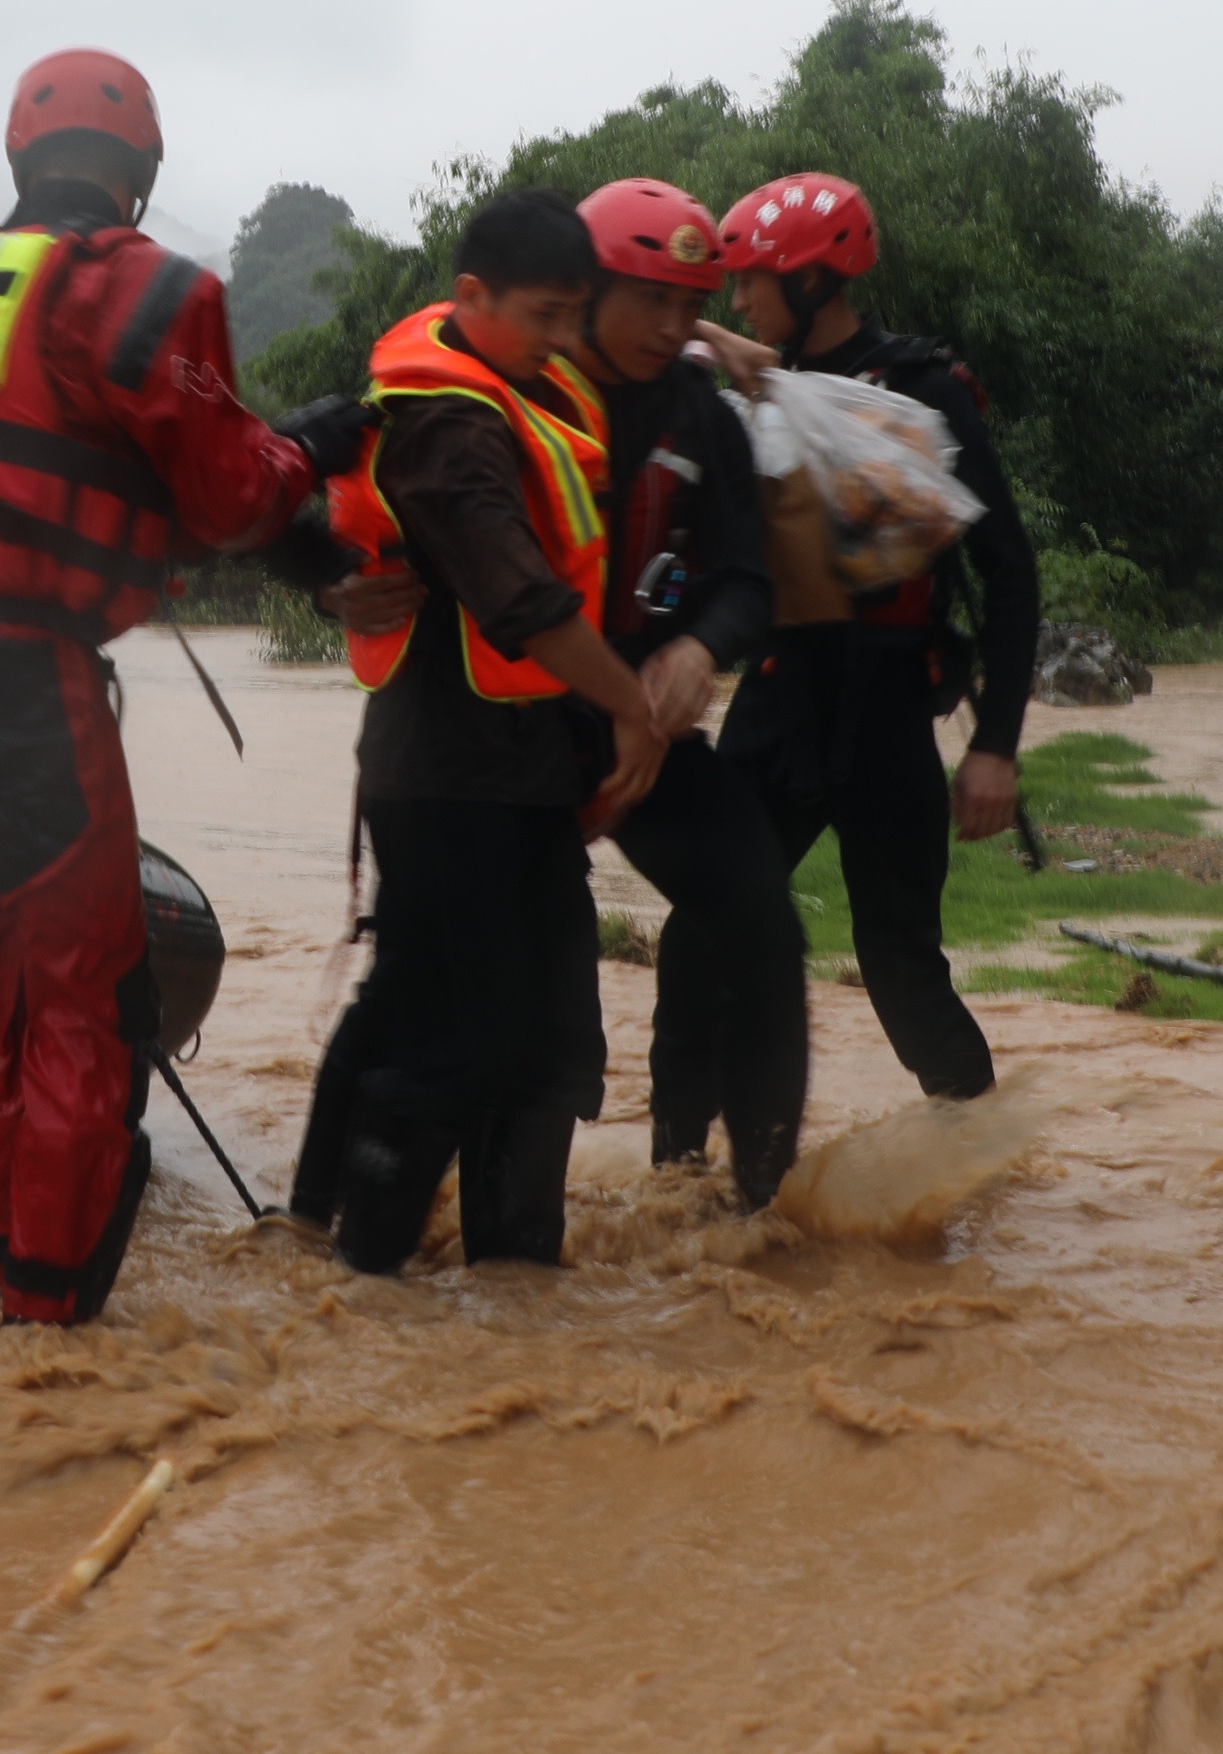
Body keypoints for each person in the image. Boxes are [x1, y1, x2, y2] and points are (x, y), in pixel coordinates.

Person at [0, 49, 338, 1325]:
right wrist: (314, 446)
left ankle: (8, 1256)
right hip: (22, 676)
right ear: (138, 176)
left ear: (21, 160)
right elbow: (233, 493)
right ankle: (51, 1312)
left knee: (11, 973)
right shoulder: (151, 288)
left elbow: (41, 450)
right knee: (84, 985)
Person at [293, 189, 673, 1273]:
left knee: (441, 1004)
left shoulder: (515, 385)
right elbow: (524, 605)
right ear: (473, 298)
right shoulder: (449, 428)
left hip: (488, 771)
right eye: (549, 317)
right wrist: (631, 704)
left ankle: (333, 1237)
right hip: (456, 778)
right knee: (460, 1034)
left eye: (574, 317)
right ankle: (369, 1278)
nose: (566, 342)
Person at [710, 172, 1041, 1101]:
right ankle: (683, 1175)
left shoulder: (926, 390)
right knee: (705, 937)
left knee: (897, 959)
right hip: (776, 696)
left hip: (887, 707)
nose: (738, 298)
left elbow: (1008, 574)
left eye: (753, 279)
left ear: (812, 279)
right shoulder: (755, 386)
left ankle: (971, 1149)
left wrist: (996, 749)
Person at [571, 179, 809, 1207]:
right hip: (515, 733)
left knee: (761, 920)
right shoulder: (518, 382)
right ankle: (329, 1227)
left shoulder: (701, 418)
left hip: (654, 737)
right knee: (488, 983)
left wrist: (702, 647)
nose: (667, 329)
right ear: (581, 291)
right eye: (647, 302)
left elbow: (746, 580)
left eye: (688, 306)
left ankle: (761, 1208)